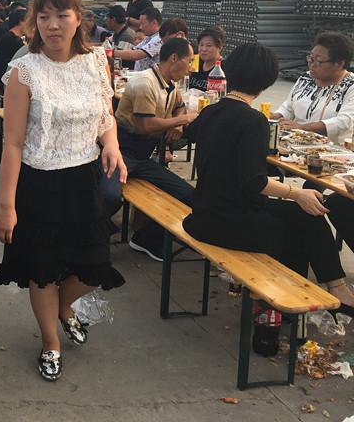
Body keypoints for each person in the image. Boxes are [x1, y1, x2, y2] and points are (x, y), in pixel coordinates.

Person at [0, 0, 126, 382]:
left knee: (93, 265)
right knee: (43, 269)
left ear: (78, 18)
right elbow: (13, 143)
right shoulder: (24, 71)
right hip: (38, 184)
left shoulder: (96, 61)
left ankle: (64, 308)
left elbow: (105, 115)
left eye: (62, 15)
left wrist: (111, 144)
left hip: (84, 180)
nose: (52, 25)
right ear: (33, 22)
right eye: (44, 16)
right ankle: (50, 341)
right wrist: (7, 205)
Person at [183, 42, 354, 321]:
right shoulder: (253, 120)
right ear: (267, 81)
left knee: (308, 215)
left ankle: (337, 289)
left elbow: (190, 133)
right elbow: (254, 182)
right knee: (297, 231)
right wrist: (297, 193)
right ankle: (286, 309)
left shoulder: (212, 111)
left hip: (206, 211)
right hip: (228, 221)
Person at [102, 38, 197, 262]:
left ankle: (147, 239)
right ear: (174, 58)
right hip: (121, 153)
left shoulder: (170, 84)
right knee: (110, 197)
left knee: (188, 194)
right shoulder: (145, 83)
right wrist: (183, 120)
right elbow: (148, 125)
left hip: (143, 158)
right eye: (189, 61)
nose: (191, 68)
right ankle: (87, 236)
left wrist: (178, 123)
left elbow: (180, 106)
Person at [272, 32, 354, 145]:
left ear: (340, 64)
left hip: (330, 150)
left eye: (318, 61)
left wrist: (301, 128)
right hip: (294, 145)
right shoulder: (306, 78)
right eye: (310, 58)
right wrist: (276, 117)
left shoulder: (350, 85)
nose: (311, 64)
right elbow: (289, 108)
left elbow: (344, 122)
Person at [0, 7, 25, 92]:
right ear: (21, 22)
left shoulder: (8, 36)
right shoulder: (14, 40)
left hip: (1, 80)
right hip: (5, 84)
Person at [113, 7, 162, 72]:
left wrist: (110, 53)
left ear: (154, 23)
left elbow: (135, 55)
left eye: (142, 23)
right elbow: (133, 50)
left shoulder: (158, 39)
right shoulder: (148, 38)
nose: (140, 27)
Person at [189, 26, 225, 91]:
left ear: (220, 48)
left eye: (209, 45)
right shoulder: (195, 61)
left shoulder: (224, 68)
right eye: (201, 45)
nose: (204, 49)